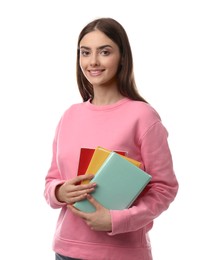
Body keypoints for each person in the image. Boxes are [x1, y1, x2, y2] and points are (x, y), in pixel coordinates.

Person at [44, 17, 179, 260]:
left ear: (122, 58)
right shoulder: (70, 116)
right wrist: (59, 192)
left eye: (104, 52)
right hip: (66, 251)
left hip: (121, 254)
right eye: (85, 53)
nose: (93, 61)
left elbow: (165, 188)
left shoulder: (143, 117)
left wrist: (116, 220)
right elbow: (52, 181)